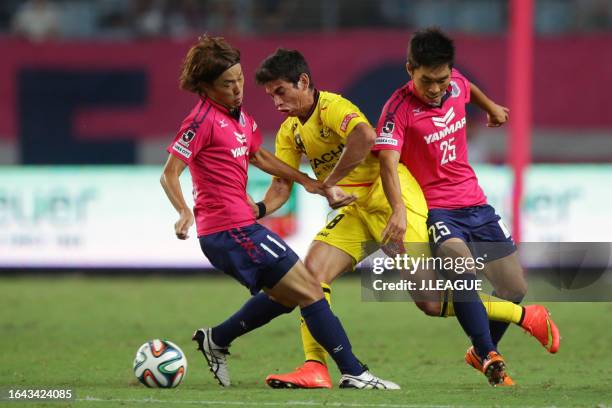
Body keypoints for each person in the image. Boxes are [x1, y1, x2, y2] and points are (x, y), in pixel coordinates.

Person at [253, 48, 557, 389]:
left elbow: (365, 138)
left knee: (429, 300)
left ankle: (524, 315)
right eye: (271, 95)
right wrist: (257, 210)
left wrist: (329, 183)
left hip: (391, 198)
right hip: (357, 210)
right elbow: (281, 186)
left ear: (303, 81)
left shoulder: (333, 108)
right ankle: (315, 366)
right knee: (309, 277)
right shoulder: (289, 132)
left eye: (281, 91)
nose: (276, 102)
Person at [159, 35, 399, 390]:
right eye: (228, 84)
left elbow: (259, 156)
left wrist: (307, 181)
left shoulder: (239, 118)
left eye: (239, 79)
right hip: (227, 230)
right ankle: (354, 372)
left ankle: (217, 339)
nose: (238, 89)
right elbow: (169, 173)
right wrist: (183, 212)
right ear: (207, 87)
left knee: (288, 296)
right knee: (311, 290)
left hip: (242, 226)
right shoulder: (201, 121)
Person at [372, 28, 560, 386]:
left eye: (441, 79)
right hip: (437, 210)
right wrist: (398, 208)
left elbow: (466, 87)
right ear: (410, 68)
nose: (436, 88)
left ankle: (481, 351)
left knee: (514, 288)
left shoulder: (454, 83)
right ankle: (489, 353)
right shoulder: (397, 110)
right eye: (427, 80)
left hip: (475, 203)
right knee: (460, 268)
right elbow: (387, 161)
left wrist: (490, 107)